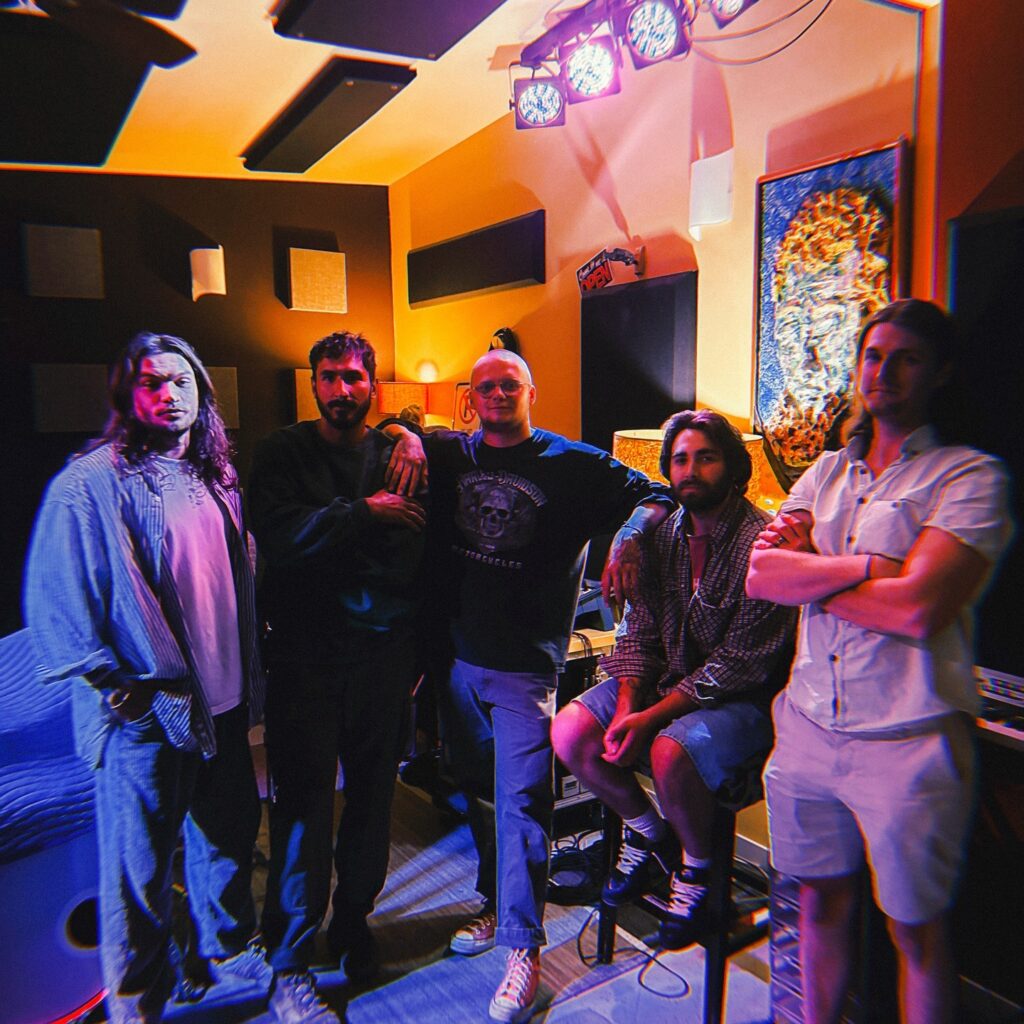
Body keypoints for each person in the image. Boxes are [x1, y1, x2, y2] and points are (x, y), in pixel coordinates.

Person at [746, 299, 1013, 1024]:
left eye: (906, 358)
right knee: (820, 903)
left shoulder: (968, 477)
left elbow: (919, 610)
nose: (883, 371)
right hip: (807, 728)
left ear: (940, 373)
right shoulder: (825, 472)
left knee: (916, 935)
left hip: (908, 742)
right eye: (873, 355)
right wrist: (870, 567)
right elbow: (762, 575)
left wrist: (813, 573)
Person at [388, 349, 675, 1023]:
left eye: (508, 384)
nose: (497, 394)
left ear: (530, 392)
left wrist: (630, 536)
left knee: (522, 803)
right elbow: (391, 431)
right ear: (470, 397)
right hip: (454, 659)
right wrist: (402, 433)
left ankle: (525, 949)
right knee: (481, 794)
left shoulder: (571, 463)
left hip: (523, 667)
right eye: (485, 386)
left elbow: (657, 495)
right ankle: (497, 907)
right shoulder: (450, 453)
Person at [23, 333, 268, 1024]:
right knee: (140, 871)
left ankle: (227, 956)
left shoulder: (216, 476)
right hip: (149, 714)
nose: (169, 394)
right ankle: (136, 1002)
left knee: (227, 840)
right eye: (153, 382)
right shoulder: (87, 484)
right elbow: (54, 602)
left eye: (182, 382)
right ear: (127, 394)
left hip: (222, 704)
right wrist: (115, 688)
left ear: (203, 394)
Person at [552, 409, 796, 948]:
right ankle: (649, 833)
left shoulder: (764, 543)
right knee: (569, 730)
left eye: (706, 458)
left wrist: (648, 719)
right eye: (681, 459)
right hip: (666, 681)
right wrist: (626, 708)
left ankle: (698, 870)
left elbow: (738, 663)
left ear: (734, 467)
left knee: (668, 750)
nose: (691, 470)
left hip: (744, 701)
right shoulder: (661, 538)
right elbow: (639, 630)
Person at [247, 331, 426, 1024]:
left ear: (373, 385)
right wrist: (363, 513)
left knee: (374, 803)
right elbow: (281, 537)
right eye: (329, 376)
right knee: (302, 809)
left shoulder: (398, 452)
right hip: (304, 663)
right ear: (314, 384)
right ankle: (289, 955)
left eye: (354, 377)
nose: (342, 389)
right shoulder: (282, 452)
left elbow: (419, 554)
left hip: (382, 661)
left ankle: (353, 921)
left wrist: (409, 431)